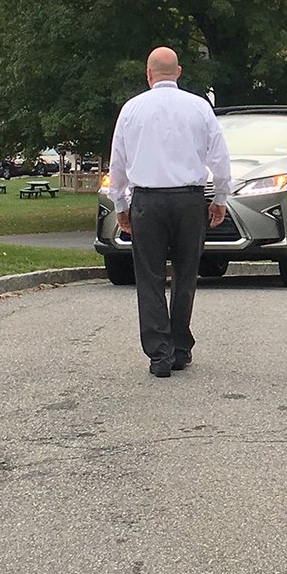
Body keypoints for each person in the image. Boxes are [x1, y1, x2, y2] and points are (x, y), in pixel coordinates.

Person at [108, 47, 232, 377]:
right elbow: (219, 157)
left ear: (148, 75)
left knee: (148, 277)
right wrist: (219, 197)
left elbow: (117, 163)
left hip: (147, 200)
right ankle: (180, 345)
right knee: (185, 273)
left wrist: (120, 204)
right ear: (178, 72)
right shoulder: (199, 107)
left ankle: (159, 353)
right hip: (189, 201)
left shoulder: (131, 110)